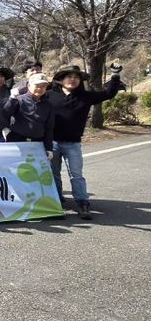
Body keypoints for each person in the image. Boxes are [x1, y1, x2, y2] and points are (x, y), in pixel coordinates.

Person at [47, 65, 125, 219]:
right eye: (69, 76)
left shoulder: (85, 96)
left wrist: (115, 76)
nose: (73, 80)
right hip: (52, 142)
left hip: (73, 143)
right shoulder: (49, 95)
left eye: (76, 77)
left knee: (76, 174)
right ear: (61, 80)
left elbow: (109, 93)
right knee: (53, 174)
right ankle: (57, 199)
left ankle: (82, 202)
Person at [3, 73, 54, 157]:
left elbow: (49, 128)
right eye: (37, 86)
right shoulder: (19, 99)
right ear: (29, 86)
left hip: (37, 143)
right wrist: (12, 99)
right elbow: (6, 113)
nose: (40, 89)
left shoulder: (48, 105)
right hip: (17, 141)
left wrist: (49, 148)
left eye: (43, 86)